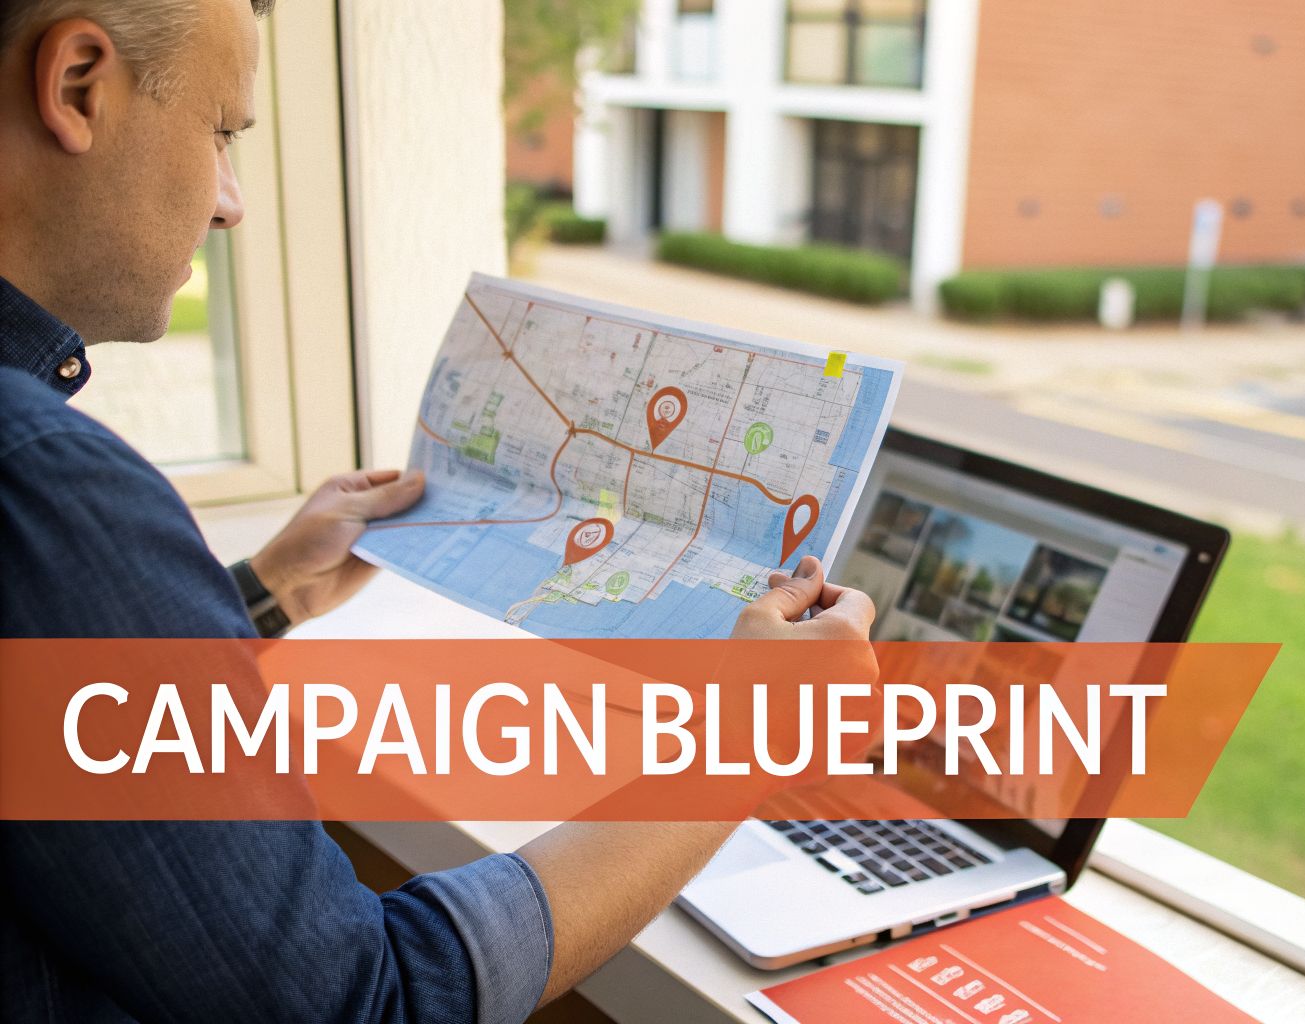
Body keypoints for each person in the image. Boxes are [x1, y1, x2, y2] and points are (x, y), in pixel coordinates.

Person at [0, 1, 876, 1020]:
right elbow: (368, 1001)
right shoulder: (45, 482)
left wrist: (266, 594)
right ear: (78, 85)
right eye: (221, 131)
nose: (230, 203)